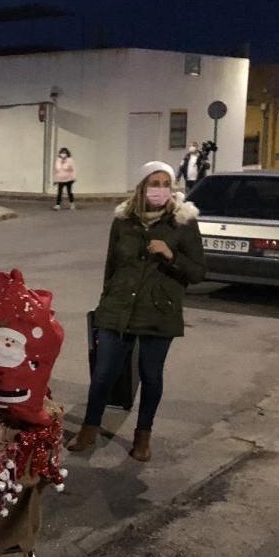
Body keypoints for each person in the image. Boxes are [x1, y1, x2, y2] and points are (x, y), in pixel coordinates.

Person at [67, 161, 206, 462]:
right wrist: (104, 305)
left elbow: (197, 272)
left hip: (159, 311)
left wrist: (171, 255)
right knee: (103, 374)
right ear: (142, 186)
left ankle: (143, 436)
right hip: (118, 309)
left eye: (165, 183)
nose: (160, 190)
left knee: (151, 376)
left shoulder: (183, 222)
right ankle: (89, 430)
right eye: (154, 183)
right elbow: (111, 267)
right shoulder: (123, 221)